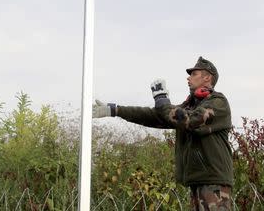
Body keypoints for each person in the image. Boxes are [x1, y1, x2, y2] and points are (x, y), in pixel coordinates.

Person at [93, 56, 233, 210]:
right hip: (198, 180)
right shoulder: (190, 106)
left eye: (194, 74)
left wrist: (162, 101)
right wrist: (116, 110)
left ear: (207, 77)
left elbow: (190, 120)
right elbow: (158, 116)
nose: (188, 77)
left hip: (214, 182)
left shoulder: (218, 102)